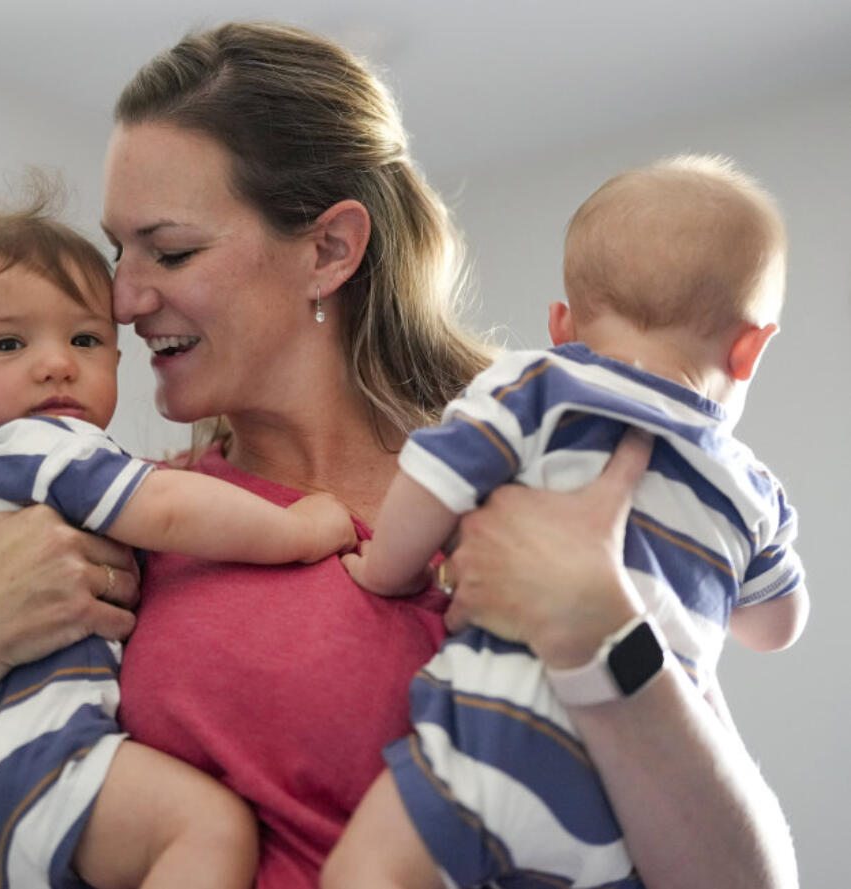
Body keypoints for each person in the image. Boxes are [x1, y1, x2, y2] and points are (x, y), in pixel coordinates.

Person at [0, 23, 801, 889]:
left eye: (170, 251)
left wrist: (604, 628)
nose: (121, 300)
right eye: (119, 252)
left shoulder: (530, 473)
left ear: (330, 249)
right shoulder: (126, 518)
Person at [330, 155, 809, 888]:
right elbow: (777, 628)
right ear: (751, 348)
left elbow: (433, 479)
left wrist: (383, 570)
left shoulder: (542, 385)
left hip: (497, 732)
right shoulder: (752, 488)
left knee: (365, 874)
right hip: (626, 804)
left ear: (563, 325)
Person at [0, 186, 357, 889]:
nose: (56, 363)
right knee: (205, 828)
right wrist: (296, 527)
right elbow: (163, 508)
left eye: (83, 339)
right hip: (40, 757)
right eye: (9, 343)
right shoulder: (31, 444)